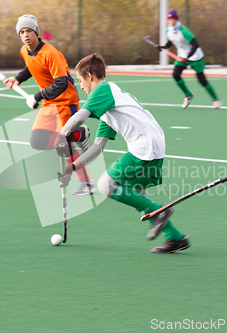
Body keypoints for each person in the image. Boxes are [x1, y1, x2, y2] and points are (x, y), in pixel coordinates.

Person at [55, 53, 190, 253]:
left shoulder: (103, 90)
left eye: (81, 81)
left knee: (105, 186)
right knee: (135, 197)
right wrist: (73, 166)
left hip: (144, 145)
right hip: (153, 144)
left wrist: (62, 133)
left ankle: (160, 214)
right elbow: (97, 147)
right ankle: (176, 238)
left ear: (90, 76)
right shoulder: (108, 103)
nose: (81, 86)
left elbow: (80, 116)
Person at [3, 15, 93, 195]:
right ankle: (76, 136)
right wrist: (18, 78)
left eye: (29, 30)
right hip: (49, 103)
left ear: (36, 32)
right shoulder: (25, 51)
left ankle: (86, 180)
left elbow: (60, 83)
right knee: (37, 141)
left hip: (66, 101)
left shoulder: (51, 53)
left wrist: (36, 96)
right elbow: (32, 66)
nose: (26, 35)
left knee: (64, 144)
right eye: (22, 32)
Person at [158, 9, 222, 109]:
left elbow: (195, 44)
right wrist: (164, 47)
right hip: (182, 56)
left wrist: (188, 57)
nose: (171, 21)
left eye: (173, 19)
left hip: (195, 56)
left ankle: (216, 100)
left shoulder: (183, 31)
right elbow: (171, 41)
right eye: (169, 19)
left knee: (201, 80)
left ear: (177, 19)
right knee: (175, 74)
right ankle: (188, 95)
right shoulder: (168, 31)